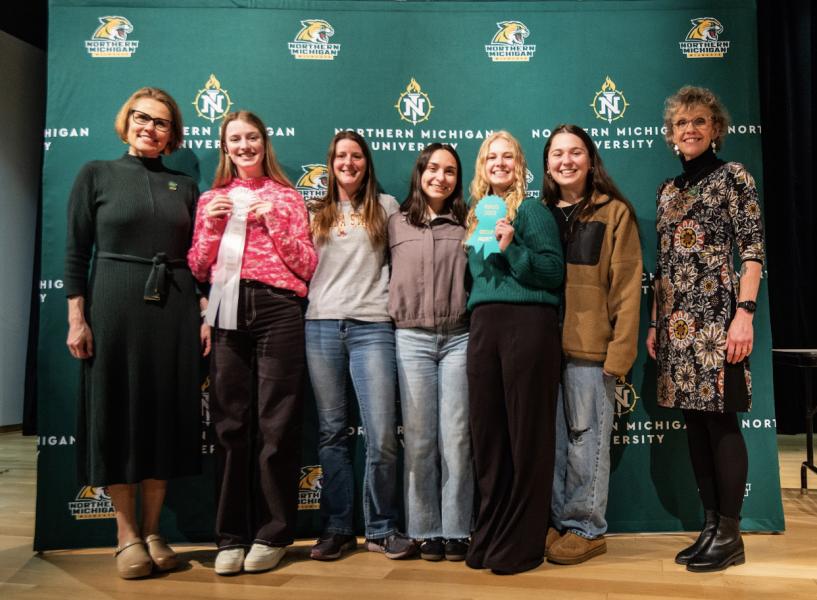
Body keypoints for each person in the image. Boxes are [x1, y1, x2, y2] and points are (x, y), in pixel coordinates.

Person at [64, 87, 205, 579]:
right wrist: (76, 317)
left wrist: (203, 311)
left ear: (172, 134)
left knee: (163, 416)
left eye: (161, 122)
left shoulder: (185, 186)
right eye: (142, 118)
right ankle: (125, 535)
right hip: (114, 306)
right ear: (126, 122)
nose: (150, 127)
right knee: (119, 413)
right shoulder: (95, 174)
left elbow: (197, 257)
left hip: (175, 308)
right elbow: (77, 253)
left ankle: (153, 531)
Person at [187, 110, 317, 575]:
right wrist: (210, 228)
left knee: (276, 424)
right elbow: (199, 268)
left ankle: (274, 533)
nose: (244, 146)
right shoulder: (211, 200)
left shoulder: (287, 196)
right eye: (235, 139)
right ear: (225, 146)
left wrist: (277, 224)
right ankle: (229, 537)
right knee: (229, 424)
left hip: (279, 309)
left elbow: (307, 265)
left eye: (252, 137)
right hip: (225, 308)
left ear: (265, 143)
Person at [646, 86, 765, 572]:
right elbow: (664, 263)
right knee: (694, 425)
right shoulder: (667, 191)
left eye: (699, 121)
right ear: (671, 134)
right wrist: (657, 324)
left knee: (720, 421)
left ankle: (732, 533)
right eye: (681, 123)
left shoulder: (734, 177)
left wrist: (745, 313)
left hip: (719, 322)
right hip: (675, 326)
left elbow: (753, 252)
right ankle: (711, 525)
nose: (689, 129)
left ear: (716, 129)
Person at [305, 131, 415, 560]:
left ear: (366, 163)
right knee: (331, 434)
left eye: (355, 156)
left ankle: (382, 527)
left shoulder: (386, 208)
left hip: (373, 327)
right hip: (321, 326)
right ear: (330, 163)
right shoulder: (315, 211)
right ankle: (335, 529)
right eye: (339, 156)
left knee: (383, 434)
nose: (347, 163)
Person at [464, 131, 564, 574]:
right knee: (489, 438)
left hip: (528, 324)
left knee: (527, 436)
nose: (499, 163)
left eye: (507, 157)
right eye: (492, 157)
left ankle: (523, 542)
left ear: (519, 164)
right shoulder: (477, 215)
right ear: (482, 165)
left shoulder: (531, 209)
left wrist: (513, 248)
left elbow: (552, 271)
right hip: (485, 326)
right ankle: (490, 533)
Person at [542, 125, 642, 565]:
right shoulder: (537, 212)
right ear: (547, 163)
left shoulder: (613, 212)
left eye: (575, 152)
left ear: (590, 158)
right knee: (556, 444)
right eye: (558, 153)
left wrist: (619, 352)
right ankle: (559, 522)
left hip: (591, 351)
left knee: (586, 442)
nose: (566, 161)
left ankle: (586, 527)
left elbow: (626, 287)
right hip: (544, 350)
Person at [388, 144, 472, 562]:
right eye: (434, 168)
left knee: (456, 438)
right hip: (411, 339)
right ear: (420, 172)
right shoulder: (395, 222)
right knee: (420, 439)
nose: (441, 177)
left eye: (451, 171)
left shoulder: (469, 223)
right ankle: (424, 529)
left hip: (459, 338)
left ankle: (457, 529)